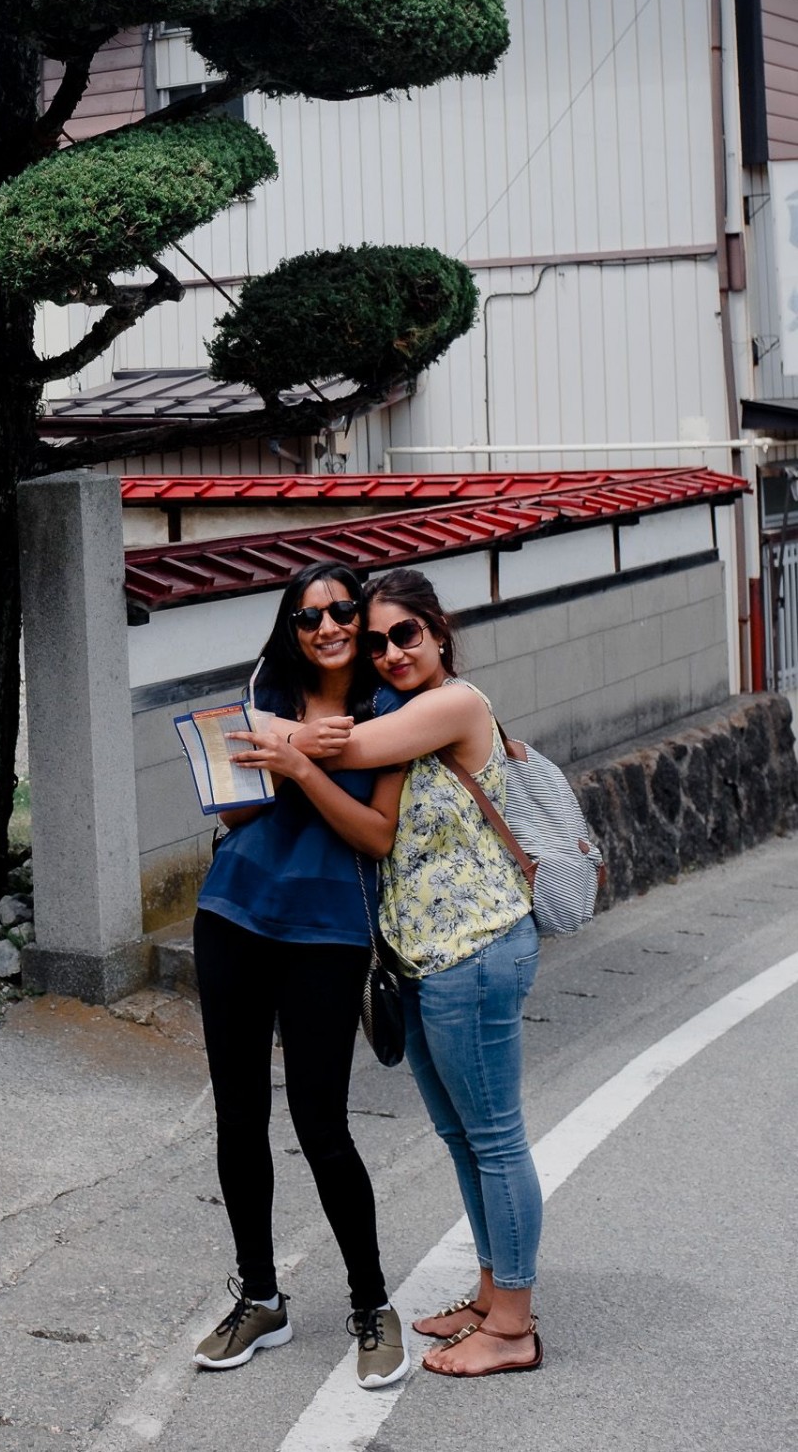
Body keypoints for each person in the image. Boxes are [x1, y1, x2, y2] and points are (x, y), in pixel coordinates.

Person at [303, 566, 545, 1378]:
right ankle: (491, 1293)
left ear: (438, 631)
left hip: (474, 952)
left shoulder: (455, 705)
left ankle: (512, 1327)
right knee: (462, 1137)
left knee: (496, 1139)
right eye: (374, 643)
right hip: (432, 960)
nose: (389, 651)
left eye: (404, 634)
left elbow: (353, 746)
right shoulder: (408, 712)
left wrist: (266, 737)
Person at [189, 561, 411, 1388]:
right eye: (309, 616)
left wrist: (306, 763)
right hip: (234, 916)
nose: (327, 627)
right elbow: (239, 808)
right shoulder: (269, 688)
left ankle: (370, 1302)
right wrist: (277, 749)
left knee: (322, 1123)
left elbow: (377, 836)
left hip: (328, 931)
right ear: (291, 628)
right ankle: (260, 1296)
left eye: (341, 610)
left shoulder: (389, 709)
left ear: (361, 614)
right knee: (239, 1116)